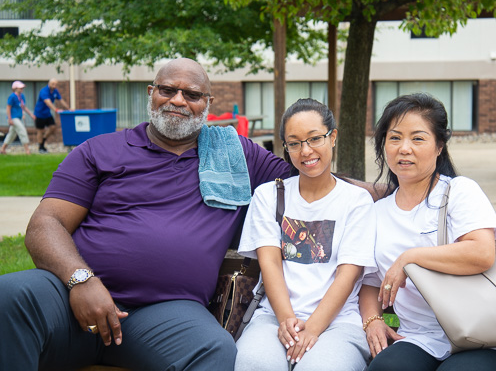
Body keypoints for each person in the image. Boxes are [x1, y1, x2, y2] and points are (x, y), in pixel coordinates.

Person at [0, 58, 291, 371]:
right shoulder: (99, 150)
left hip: (164, 314)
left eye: (192, 95)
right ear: (151, 92)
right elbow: (45, 224)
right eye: (168, 90)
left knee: (214, 350)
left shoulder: (237, 155)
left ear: (207, 103)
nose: (178, 100)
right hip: (72, 300)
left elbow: (312, 182)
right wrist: (80, 281)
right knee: (10, 296)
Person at [359, 93, 496, 371]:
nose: (404, 148)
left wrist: (410, 258)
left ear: (439, 146)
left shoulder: (459, 191)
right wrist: (372, 320)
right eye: (395, 137)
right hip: (419, 337)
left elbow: (482, 252)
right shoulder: (378, 213)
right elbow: (371, 282)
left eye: (418, 138)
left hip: (484, 333)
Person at [234, 99, 376, 371]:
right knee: (254, 363)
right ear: (286, 148)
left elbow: (348, 274)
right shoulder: (268, 195)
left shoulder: (357, 202)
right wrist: (287, 320)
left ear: (332, 137)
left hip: (338, 324)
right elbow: (270, 264)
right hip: (274, 317)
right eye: (295, 143)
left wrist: (312, 329)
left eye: (314, 139)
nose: (306, 151)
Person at [34, 78, 69, 153]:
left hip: (47, 114)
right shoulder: (44, 91)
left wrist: (69, 108)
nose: (54, 86)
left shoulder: (55, 91)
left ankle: (42, 141)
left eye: (55, 84)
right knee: (40, 130)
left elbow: (61, 100)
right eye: (53, 84)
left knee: (53, 127)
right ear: (49, 83)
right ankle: (41, 147)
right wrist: (56, 110)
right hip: (39, 114)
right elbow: (48, 102)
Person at [1, 80, 36, 155]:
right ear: (15, 88)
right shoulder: (12, 96)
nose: (22, 89)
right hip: (14, 118)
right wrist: (9, 119)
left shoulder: (22, 96)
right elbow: (8, 108)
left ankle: (2, 149)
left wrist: (31, 114)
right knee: (22, 130)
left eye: (22, 88)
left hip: (19, 117)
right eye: (20, 88)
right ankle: (27, 150)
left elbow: (23, 107)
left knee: (12, 134)